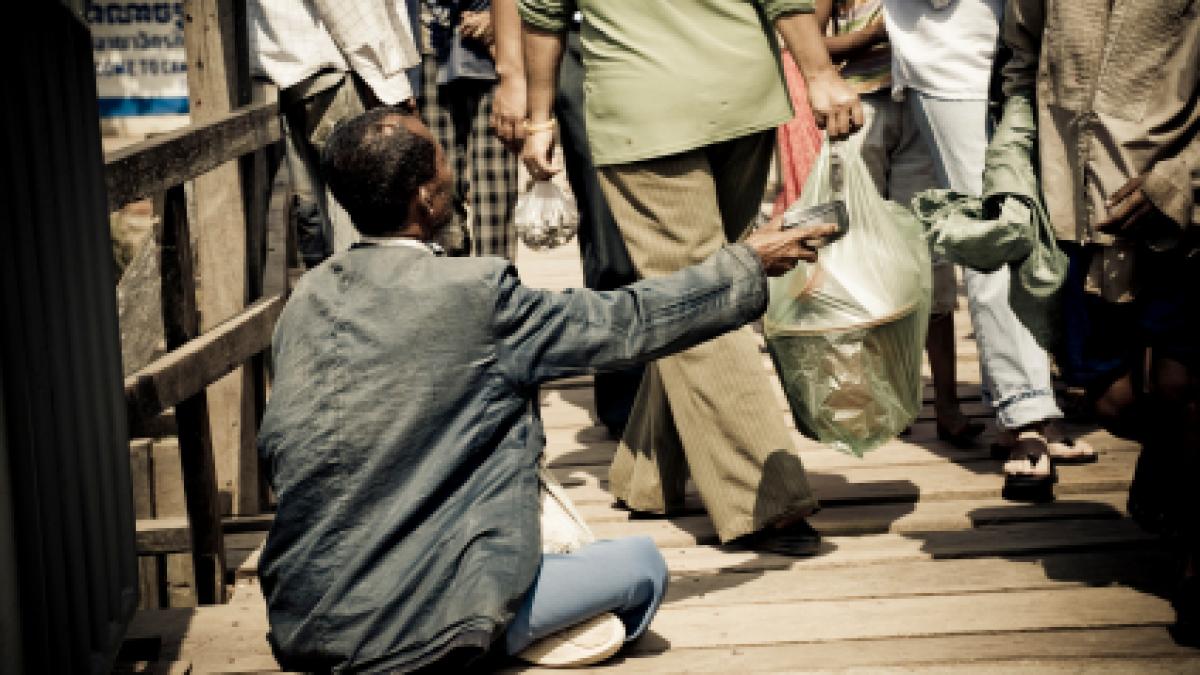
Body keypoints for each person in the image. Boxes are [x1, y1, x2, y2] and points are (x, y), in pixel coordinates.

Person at [256, 106, 840, 671]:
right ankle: (485, 632)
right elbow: (628, 323)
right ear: (427, 200)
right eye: (442, 165)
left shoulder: (307, 301)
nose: (451, 174)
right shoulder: (475, 293)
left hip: (302, 619)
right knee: (641, 567)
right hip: (415, 628)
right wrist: (748, 263)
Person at [517, 0, 863, 555]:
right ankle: (663, 477)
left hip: (647, 111)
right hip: (741, 96)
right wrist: (817, 72)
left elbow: (541, 12)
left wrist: (538, 116)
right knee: (707, 282)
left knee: (701, 288)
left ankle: (763, 497)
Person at [999, 0, 1199, 640]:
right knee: (1108, 398)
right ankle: (1170, 465)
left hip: (1182, 209)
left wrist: (1181, 179)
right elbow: (1022, 63)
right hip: (1077, 207)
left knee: (1182, 385)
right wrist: (1009, 170)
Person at [882, 0, 1096, 499]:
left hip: (1044, 63)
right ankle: (1025, 415)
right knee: (993, 237)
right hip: (955, 65)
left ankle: (1032, 403)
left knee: (1044, 232)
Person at [816, 0, 981, 446]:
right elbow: (811, 43)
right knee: (860, 254)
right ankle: (884, 397)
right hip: (860, 110)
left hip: (928, 103)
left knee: (930, 256)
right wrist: (871, 36)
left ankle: (946, 401)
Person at [490, 0, 643, 437]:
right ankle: (627, 401)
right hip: (583, 40)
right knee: (612, 236)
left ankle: (677, 388)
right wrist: (513, 74)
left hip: (675, 43)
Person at [249, 0, 421, 265]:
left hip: (284, 72)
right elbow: (347, 9)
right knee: (358, 212)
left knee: (314, 213)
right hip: (332, 69)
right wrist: (391, 83)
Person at [413, 0, 519, 259]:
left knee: (495, 182)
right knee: (435, 180)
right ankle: (447, 280)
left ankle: (495, 282)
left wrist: (503, 19)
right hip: (426, 44)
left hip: (492, 44)